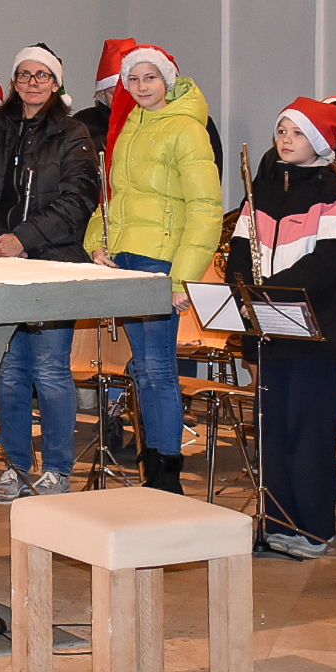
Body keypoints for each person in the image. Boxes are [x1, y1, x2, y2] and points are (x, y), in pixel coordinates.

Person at [0, 44, 99, 501]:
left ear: (56, 84)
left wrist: (24, 239)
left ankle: (57, 469)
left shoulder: (73, 133)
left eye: (42, 75)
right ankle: (16, 468)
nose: (33, 83)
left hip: (53, 264)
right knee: (9, 372)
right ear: (14, 82)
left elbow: (80, 199)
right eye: (24, 74)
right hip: (0, 262)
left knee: (51, 370)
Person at [226, 98, 336, 559]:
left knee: (309, 434)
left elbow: (330, 261)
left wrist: (270, 292)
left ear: (318, 141)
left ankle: (314, 529)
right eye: (281, 130)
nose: (285, 139)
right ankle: (278, 522)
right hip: (268, 330)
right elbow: (239, 252)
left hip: (313, 332)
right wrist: (245, 292)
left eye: (297, 133)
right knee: (272, 432)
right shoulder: (260, 191)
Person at [86, 44, 220, 494]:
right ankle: (153, 469)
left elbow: (205, 209)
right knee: (143, 368)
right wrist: (97, 243)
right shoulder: (129, 127)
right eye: (133, 79)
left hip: (160, 262)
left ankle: (166, 476)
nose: (141, 86)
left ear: (168, 80)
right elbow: (114, 197)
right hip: (125, 259)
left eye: (150, 77)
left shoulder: (187, 129)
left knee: (158, 367)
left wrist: (182, 278)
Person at [75, 37, 225, 179]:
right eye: (113, 93)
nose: (121, 100)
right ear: (102, 94)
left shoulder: (191, 124)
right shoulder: (84, 125)